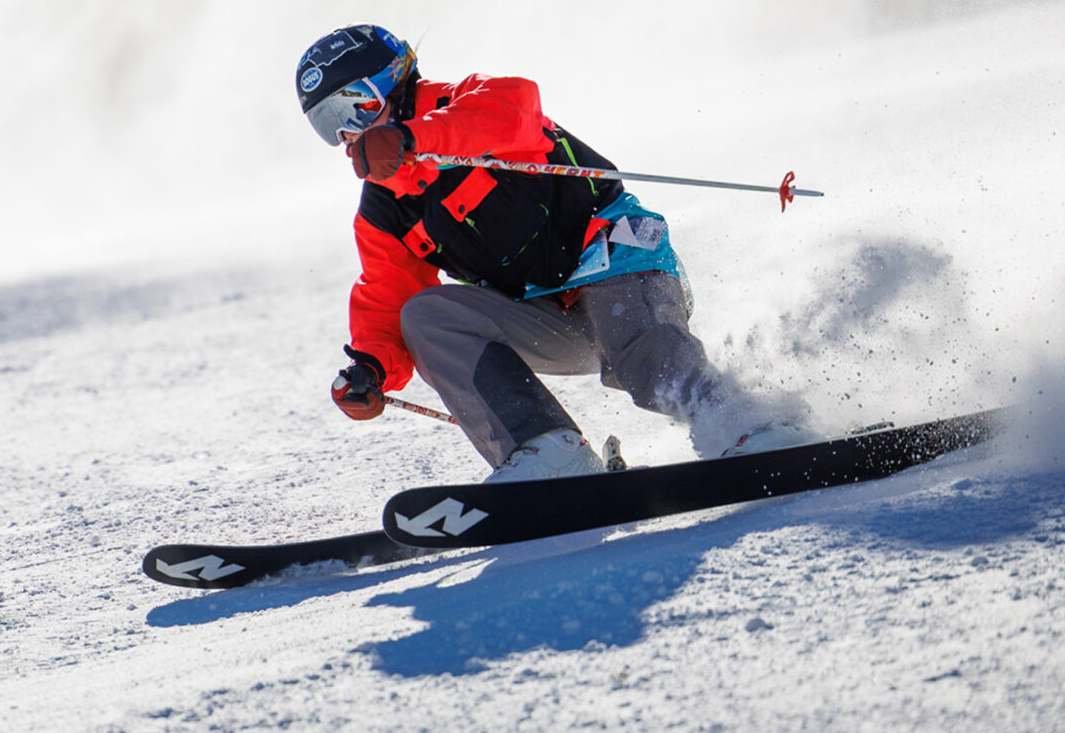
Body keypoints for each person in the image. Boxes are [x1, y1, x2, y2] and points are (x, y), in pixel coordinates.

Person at [296, 24, 816, 483]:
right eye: (329, 126)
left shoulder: (470, 105)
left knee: (639, 351)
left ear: (393, 82)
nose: (348, 135)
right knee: (426, 316)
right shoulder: (385, 210)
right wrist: (370, 367)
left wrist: (411, 137)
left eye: (353, 108)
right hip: (545, 315)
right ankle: (546, 451)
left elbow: (516, 110)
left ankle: (746, 423)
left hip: (617, 257)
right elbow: (388, 297)